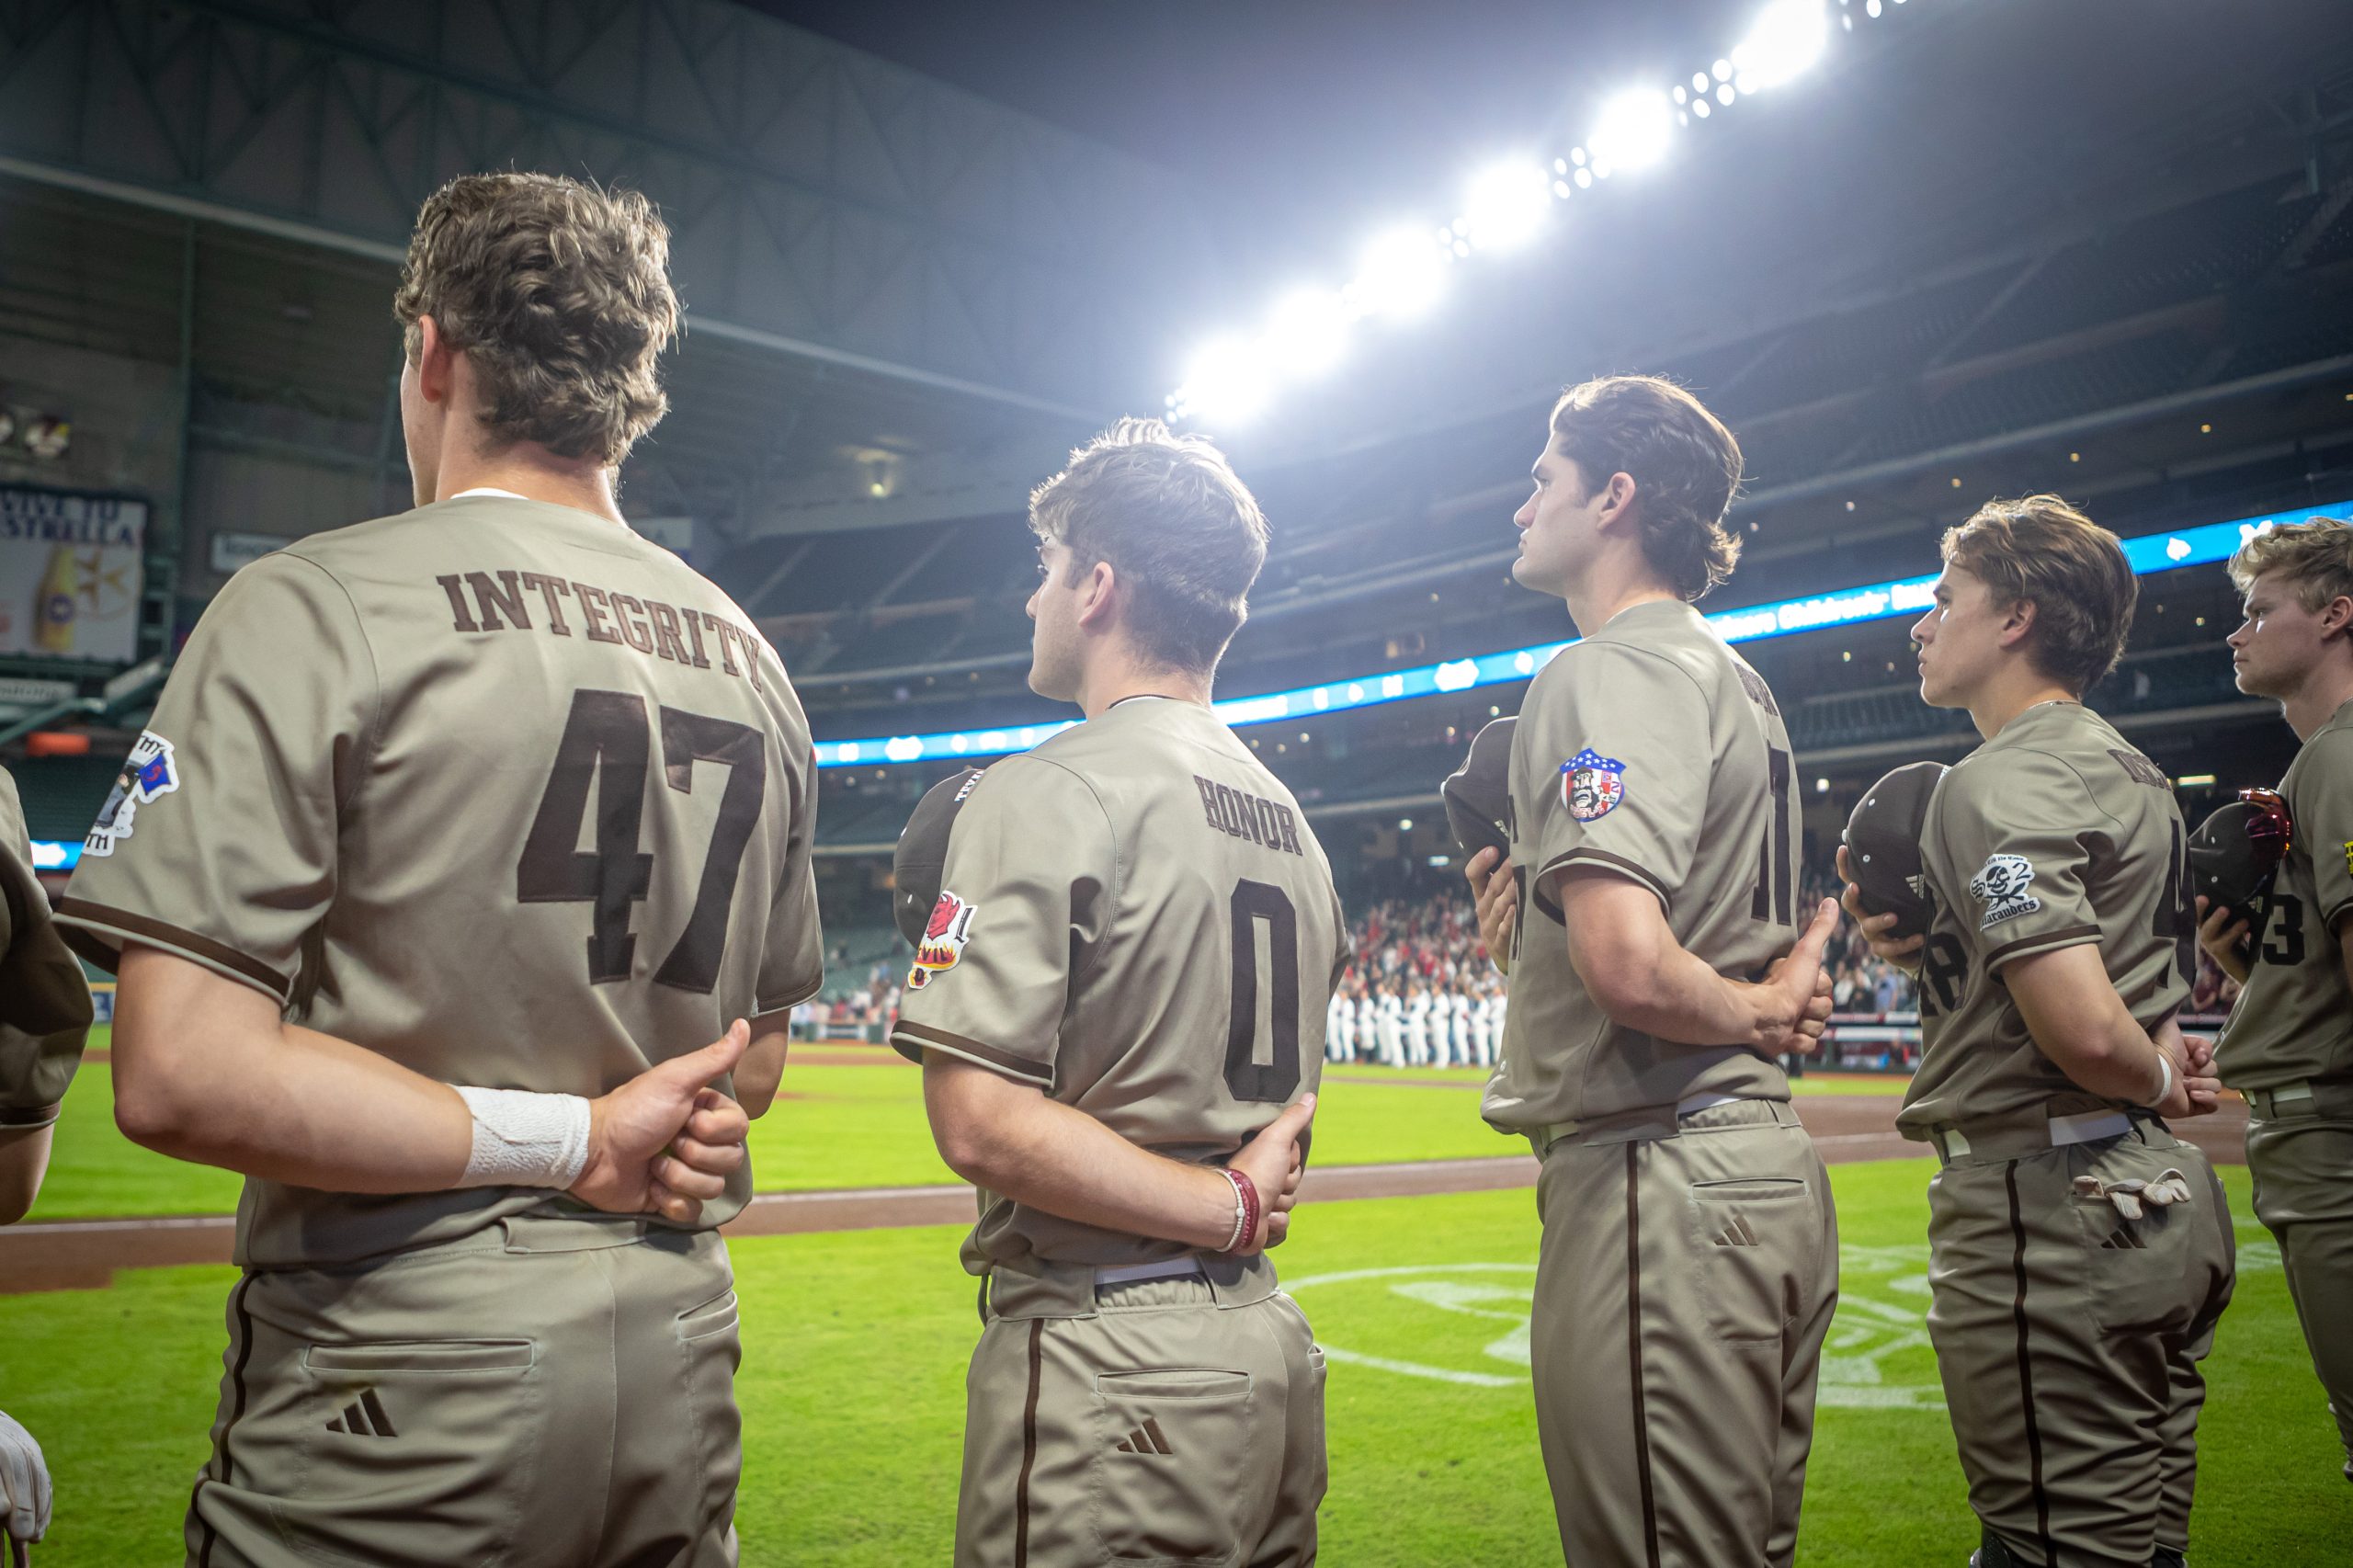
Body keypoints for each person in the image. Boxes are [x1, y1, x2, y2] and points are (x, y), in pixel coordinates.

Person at [53, 172, 822, 1567]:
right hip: (678, 1350)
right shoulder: (751, 657)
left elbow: (178, 1071)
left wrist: (573, 1138)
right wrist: (636, 1121)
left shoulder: (319, 598)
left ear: (433, 351)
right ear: (626, 386)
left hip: (400, 1367)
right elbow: (748, 1060)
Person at [892, 419, 1344, 1567]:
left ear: (1097, 585)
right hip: (1265, 1342)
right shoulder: (1292, 820)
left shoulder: (1043, 786)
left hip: (1115, 1353)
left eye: (1045, 571)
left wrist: (1222, 1206)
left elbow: (981, 1121)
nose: (1031, 602)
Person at [1467, 374, 1839, 1568]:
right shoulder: (1732, 674)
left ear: (1614, 495)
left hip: (1658, 1172)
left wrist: (1763, 1007)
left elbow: (1629, 963)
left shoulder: (1608, 668)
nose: (1522, 504)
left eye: (1544, 479)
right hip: (1754, 1165)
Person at [1839, 495, 2233, 1568]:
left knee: (2050, 1545)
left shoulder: (1997, 775)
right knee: (2141, 1538)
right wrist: (1941, 960)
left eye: (1942, 599)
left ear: (2013, 616)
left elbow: (2081, 1027)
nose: (1921, 624)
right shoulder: (2136, 772)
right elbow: (2109, 987)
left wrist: (2149, 1071)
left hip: (2047, 1205)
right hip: (2153, 1197)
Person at [2198, 517, 2353, 1483]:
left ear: (2336, 615)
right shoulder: (2319, 760)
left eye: (2259, 609)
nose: (2234, 629)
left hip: (2332, 1142)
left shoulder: (2338, 754)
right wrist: (2258, 972)